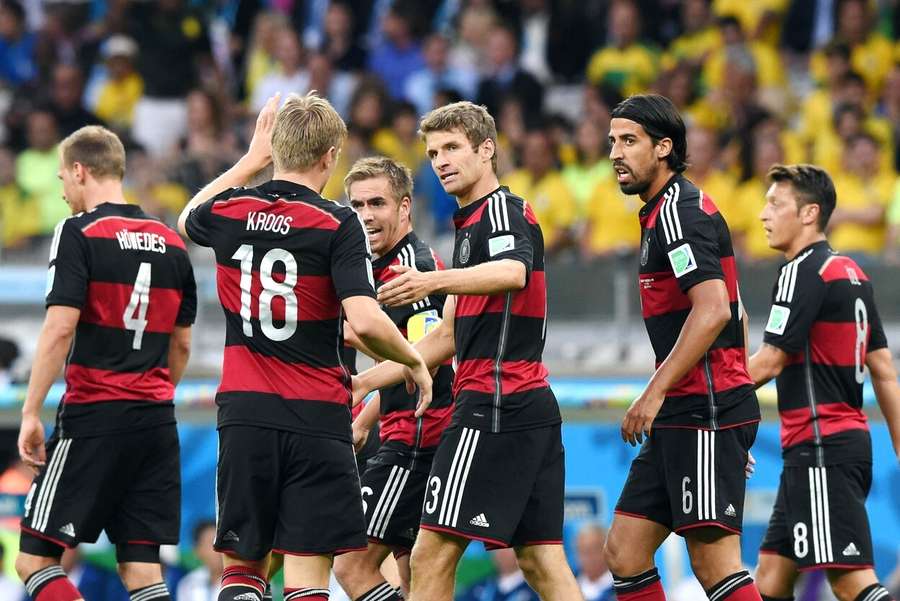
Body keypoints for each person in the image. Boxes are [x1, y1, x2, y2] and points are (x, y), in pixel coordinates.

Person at [175, 92, 432, 601]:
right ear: (331, 156)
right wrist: (413, 360)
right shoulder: (338, 224)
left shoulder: (231, 209)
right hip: (317, 417)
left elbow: (188, 219)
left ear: (276, 147)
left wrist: (250, 160)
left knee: (244, 570)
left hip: (246, 411)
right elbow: (365, 318)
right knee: (308, 580)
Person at [352, 100, 582, 601]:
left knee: (430, 554)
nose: (441, 161)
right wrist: (366, 382)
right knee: (541, 560)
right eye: (433, 152)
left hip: (494, 399)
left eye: (453, 147)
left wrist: (428, 281)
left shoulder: (501, 210)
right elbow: (448, 338)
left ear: (486, 150)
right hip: (528, 402)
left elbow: (512, 273)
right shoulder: (467, 227)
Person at [16, 125, 197, 601]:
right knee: (142, 571)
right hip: (156, 423)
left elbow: (59, 328)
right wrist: (153, 394)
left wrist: (31, 411)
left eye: (62, 180)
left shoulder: (79, 233)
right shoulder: (173, 243)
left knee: (34, 560)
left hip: (95, 415)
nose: (61, 191)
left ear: (80, 171)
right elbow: (181, 346)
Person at [603, 94, 762, 601]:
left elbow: (714, 310)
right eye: (612, 141)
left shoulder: (678, 211)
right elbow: (736, 309)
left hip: (702, 406)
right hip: (697, 410)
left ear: (664, 148)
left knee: (714, 564)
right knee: (625, 551)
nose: (615, 153)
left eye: (629, 141)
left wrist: (657, 394)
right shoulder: (661, 212)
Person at [748, 164, 900, 601]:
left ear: (809, 213)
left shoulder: (801, 271)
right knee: (772, 578)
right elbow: (884, 369)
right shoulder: (851, 272)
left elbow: (769, 362)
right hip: (839, 445)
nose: (763, 214)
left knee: (850, 580)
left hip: (820, 445)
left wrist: (705, 401)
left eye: (775, 204)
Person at [332, 156, 455, 601]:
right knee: (414, 573)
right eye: (357, 205)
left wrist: (354, 342)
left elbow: (425, 360)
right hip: (404, 432)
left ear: (405, 208)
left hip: (418, 440)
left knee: (351, 563)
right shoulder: (379, 266)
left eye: (377, 203)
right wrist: (366, 420)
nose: (366, 215)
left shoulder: (412, 270)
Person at [176, 521, 222, 601]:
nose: (218, 550)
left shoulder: (238, 582)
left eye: (220, 543)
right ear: (197, 551)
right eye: (211, 543)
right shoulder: (187, 584)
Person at [576, 524, 614, 601]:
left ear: (607, 550)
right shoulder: (568, 584)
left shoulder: (620, 589)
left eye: (594, 550)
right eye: (583, 551)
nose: (589, 557)